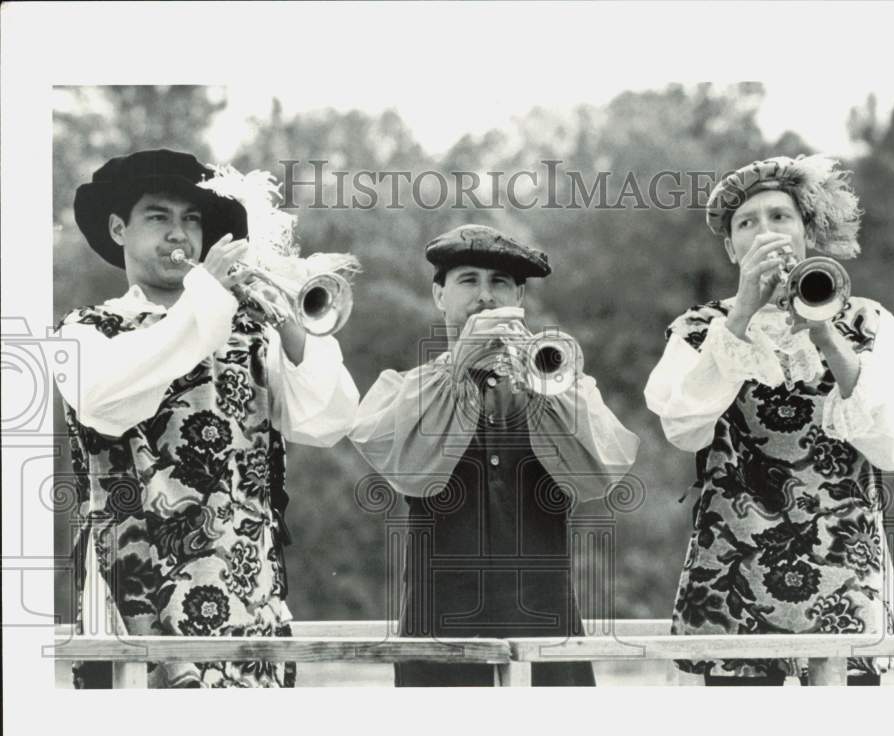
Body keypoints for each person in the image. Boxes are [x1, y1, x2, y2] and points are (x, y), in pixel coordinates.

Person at [57, 149, 360, 688]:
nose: (180, 235)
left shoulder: (249, 331)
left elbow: (330, 418)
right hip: (138, 605)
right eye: (159, 217)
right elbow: (104, 397)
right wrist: (208, 297)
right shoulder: (85, 331)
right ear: (117, 228)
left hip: (252, 597)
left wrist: (289, 319)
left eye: (191, 219)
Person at [644, 154, 894, 685]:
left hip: (847, 574)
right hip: (732, 577)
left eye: (780, 217)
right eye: (747, 224)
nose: (765, 232)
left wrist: (822, 328)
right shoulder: (696, 328)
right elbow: (682, 427)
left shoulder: (868, 320)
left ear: (807, 232)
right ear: (731, 248)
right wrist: (743, 314)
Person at [350, 224, 639, 686]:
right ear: (439, 295)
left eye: (499, 283)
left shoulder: (561, 384)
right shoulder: (407, 389)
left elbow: (602, 472)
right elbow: (391, 458)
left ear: (519, 300)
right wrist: (457, 368)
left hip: (545, 621)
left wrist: (541, 385)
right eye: (468, 281)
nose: (485, 297)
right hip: (438, 627)